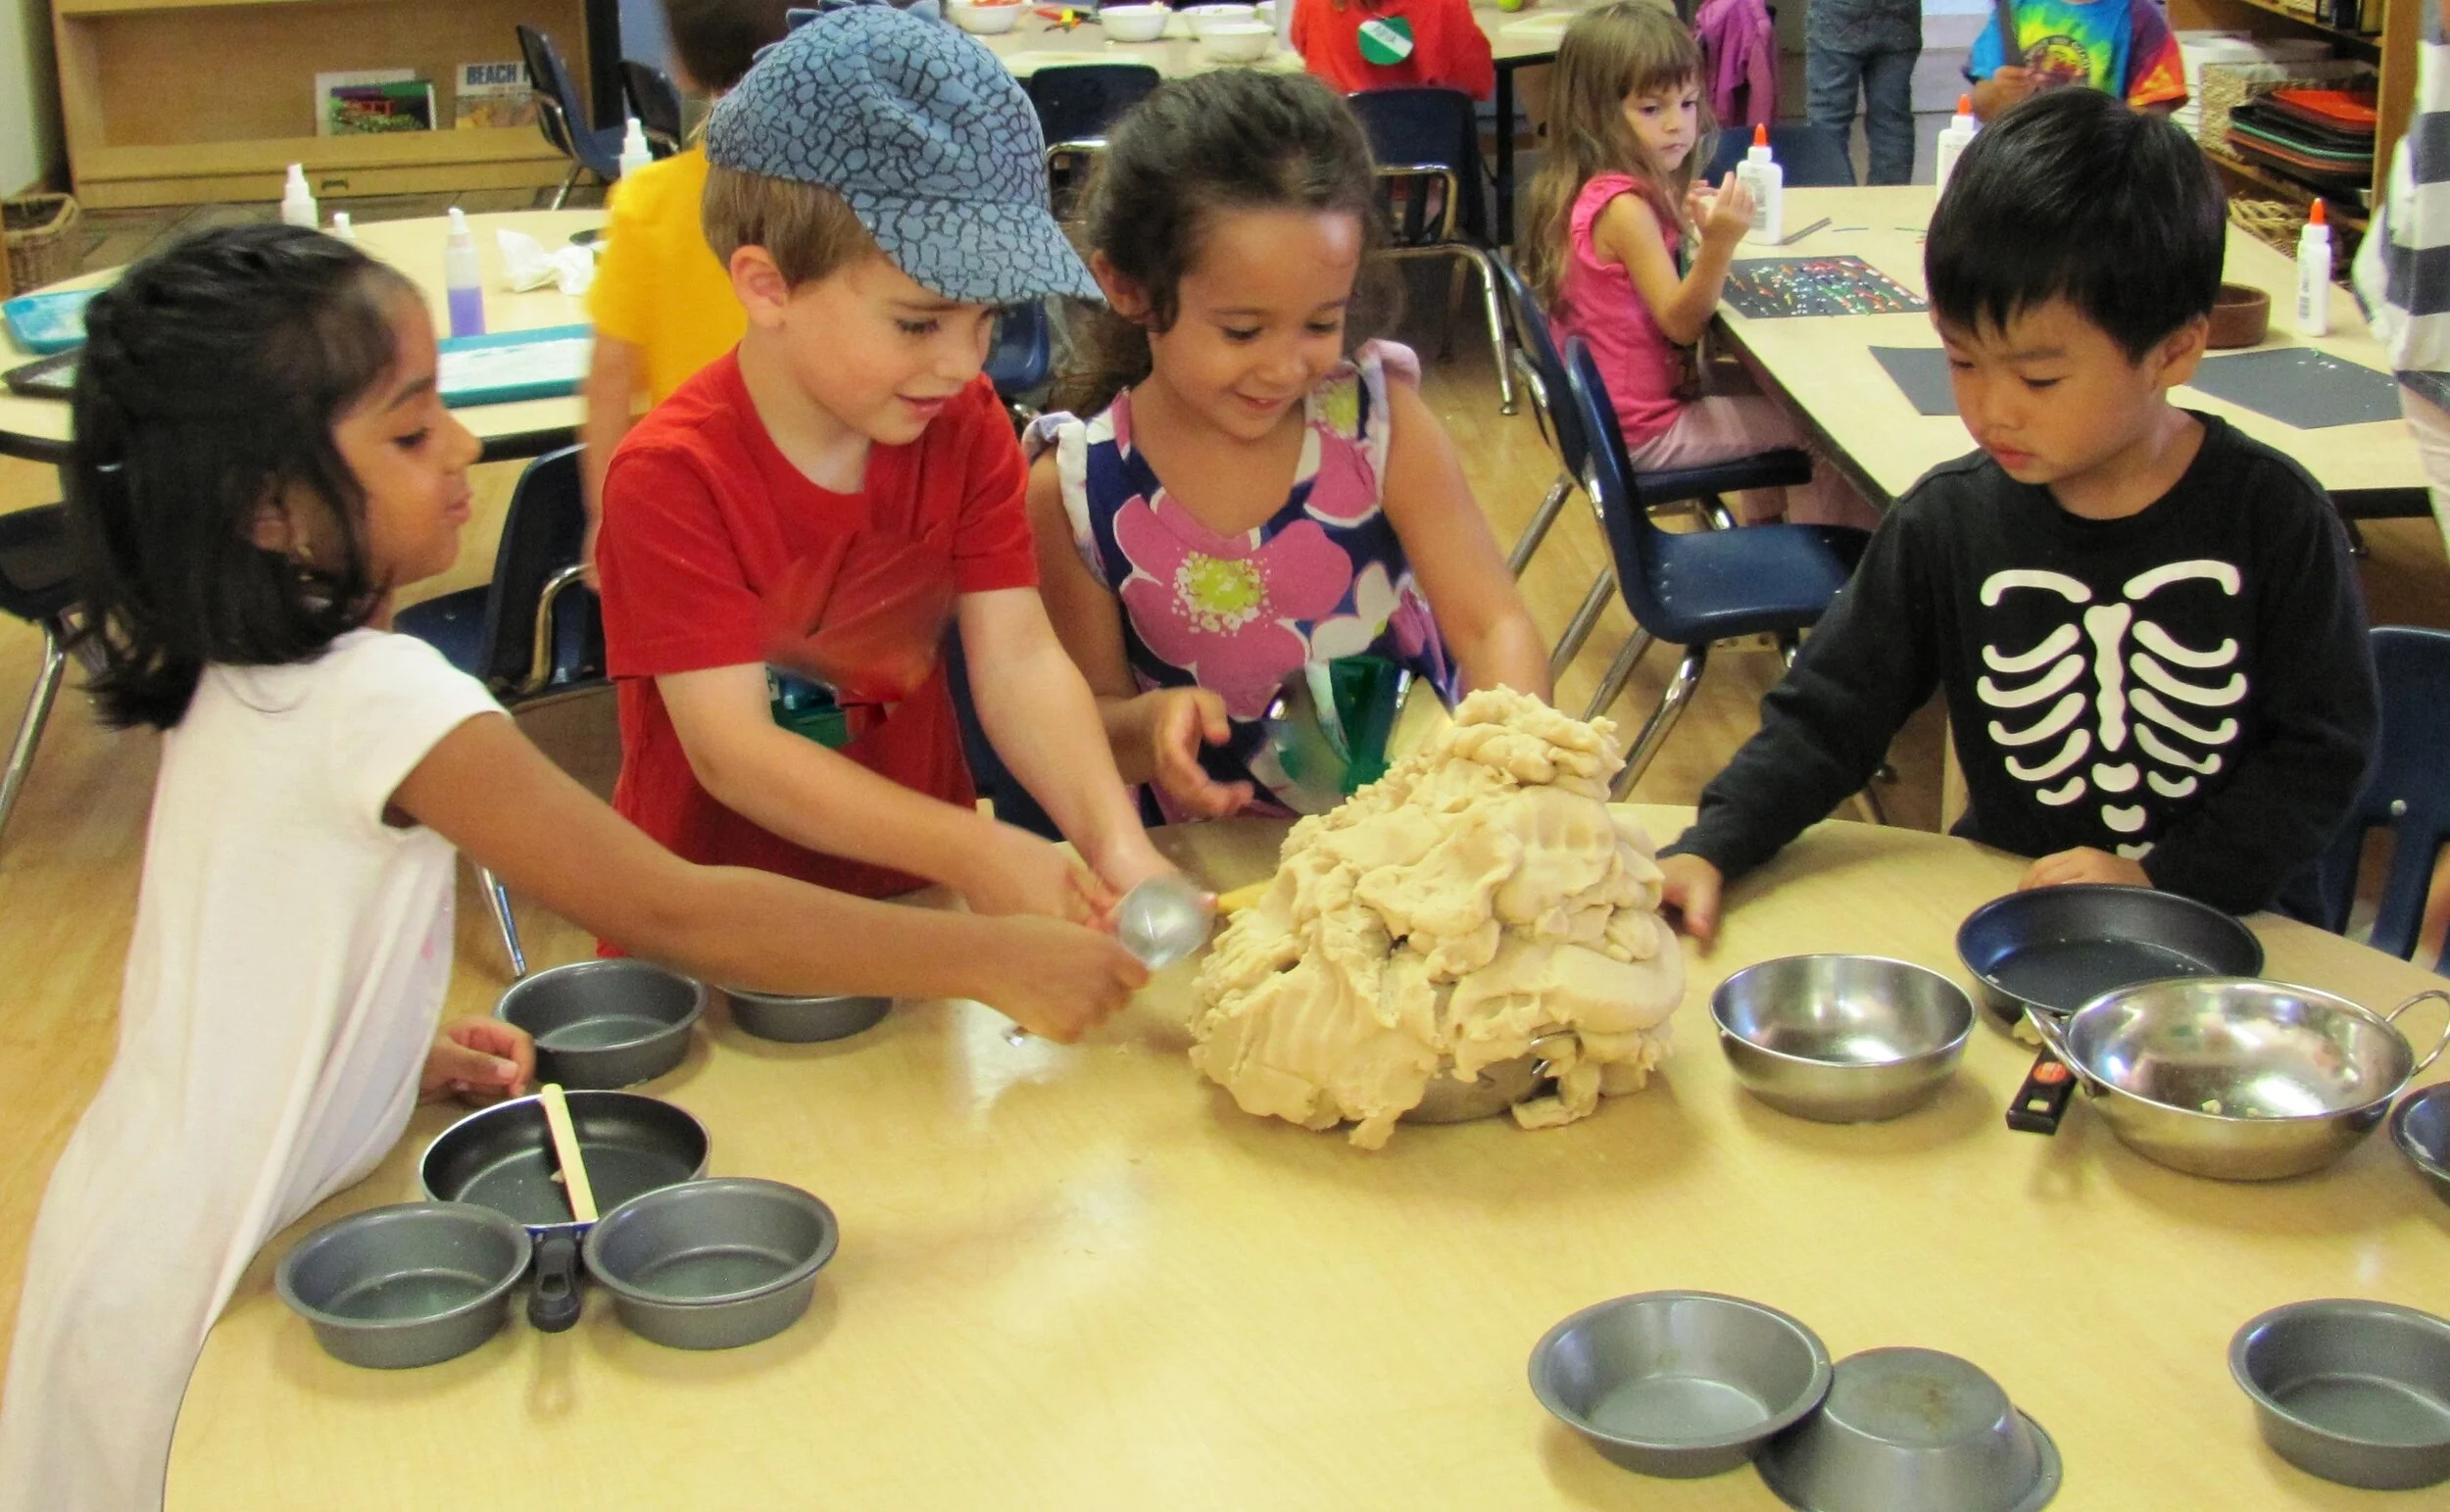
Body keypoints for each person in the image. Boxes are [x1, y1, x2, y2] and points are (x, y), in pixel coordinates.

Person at [0, 224, 1147, 1512]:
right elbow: (670, 904)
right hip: (189, 1291)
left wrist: (381, 1049)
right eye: (411, 429)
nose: (463, 452)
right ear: (269, 506)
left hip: (133, 1228)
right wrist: (989, 956)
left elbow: (237, 956)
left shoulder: (250, 677)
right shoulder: (381, 698)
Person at [1655, 89, 2377, 942]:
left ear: (2176, 350)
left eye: (2038, 379)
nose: (1992, 408)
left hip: (2232, 930)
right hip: (2013, 919)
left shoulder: (2275, 517)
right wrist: (1714, 843)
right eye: (1962, 360)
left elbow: (2321, 756)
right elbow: (1830, 714)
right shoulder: (1948, 521)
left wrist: (2159, 877)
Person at [594, 4, 1179, 918]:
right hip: (723, 940)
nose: (964, 362)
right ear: (768, 285)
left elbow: (1019, 661)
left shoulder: (964, 425)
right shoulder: (672, 478)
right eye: (919, 322)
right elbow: (734, 754)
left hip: (919, 911)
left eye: (988, 320)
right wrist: (981, 846)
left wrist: (1117, 844)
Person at [1026, 69, 1547, 821]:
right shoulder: (1076, 489)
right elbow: (1089, 727)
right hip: (1225, 871)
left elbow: (1494, 626)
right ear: (1128, 285)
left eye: (1319, 322)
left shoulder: (1375, 426)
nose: (1284, 367)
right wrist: (1149, 727)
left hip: (1419, 836)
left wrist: (1512, 769)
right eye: (1242, 330)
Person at [1521, 1, 1866, 527]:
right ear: (1594, 112)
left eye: (1686, 103)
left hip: (1623, 411)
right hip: (1645, 431)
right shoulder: (1624, 208)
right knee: (1827, 432)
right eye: (1651, 109)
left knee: (1770, 388)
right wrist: (1719, 243)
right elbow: (1682, 323)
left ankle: (1766, 543)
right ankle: (1836, 587)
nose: (1679, 126)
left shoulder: (1593, 188)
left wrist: (1682, 221)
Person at [582, 0, 795, 548]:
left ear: (677, 65)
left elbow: (609, 376)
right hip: (816, 490)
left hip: (692, 498)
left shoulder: (647, 202)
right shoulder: (829, 194)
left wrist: (606, 515)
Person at [1966, 0, 2186, 122]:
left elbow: (2152, 123)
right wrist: (1999, 95)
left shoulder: (2142, 19)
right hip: (2022, 171)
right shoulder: (2013, 10)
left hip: (2103, 177)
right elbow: (1982, 107)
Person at [1805, 0, 1922, 186]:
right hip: (1901, 12)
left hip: (1838, 11)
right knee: (1892, 120)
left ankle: (1830, 202)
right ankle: (1890, 206)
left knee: (1829, 118)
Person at [1290, 0, 1494, 101]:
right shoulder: (1444, 4)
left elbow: (1301, 44)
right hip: (1428, 170)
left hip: (1342, 173)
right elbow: (1476, 83)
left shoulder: (1311, 4)